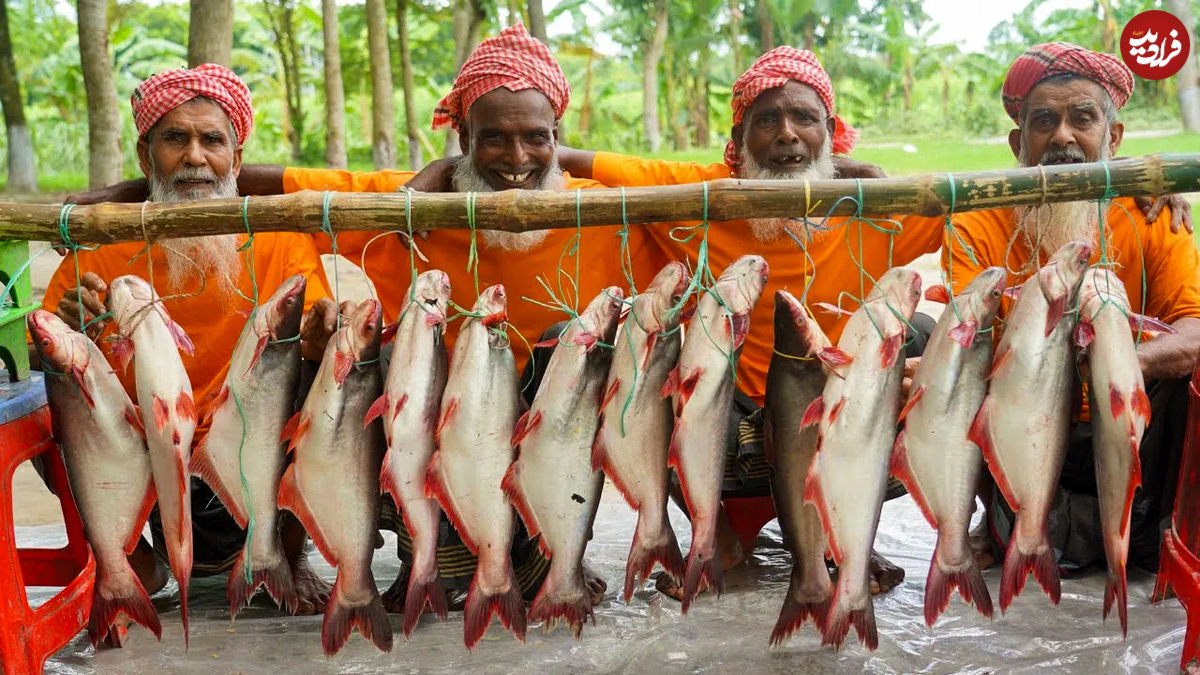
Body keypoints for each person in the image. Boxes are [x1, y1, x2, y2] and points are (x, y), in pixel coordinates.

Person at [41, 64, 341, 633]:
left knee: (328, 387)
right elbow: (45, 357)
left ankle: (283, 553)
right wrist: (67, 324)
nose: (195, 158)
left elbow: (311, 343)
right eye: (175, 139)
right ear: (145, 153)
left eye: (212, 141)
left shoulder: (281, 235)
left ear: (238, 154)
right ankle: (130, 560)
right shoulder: (104, 240)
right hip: (145, 445)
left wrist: (323, 337)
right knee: (48, 407)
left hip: (249, 439)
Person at [942, 42, 1200, 575]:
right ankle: (989, 521)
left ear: (1114, 137)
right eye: (1044, 122)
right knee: (935, 351)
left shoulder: (1152, 214)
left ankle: (1171, 535)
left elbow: (1194, 327)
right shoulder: (978, 222)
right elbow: (968, 342)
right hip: (1023, 425)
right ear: (1019, 143)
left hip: (1134, 419)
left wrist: (1124, 365)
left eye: (1083, 119)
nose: (1063, 136)